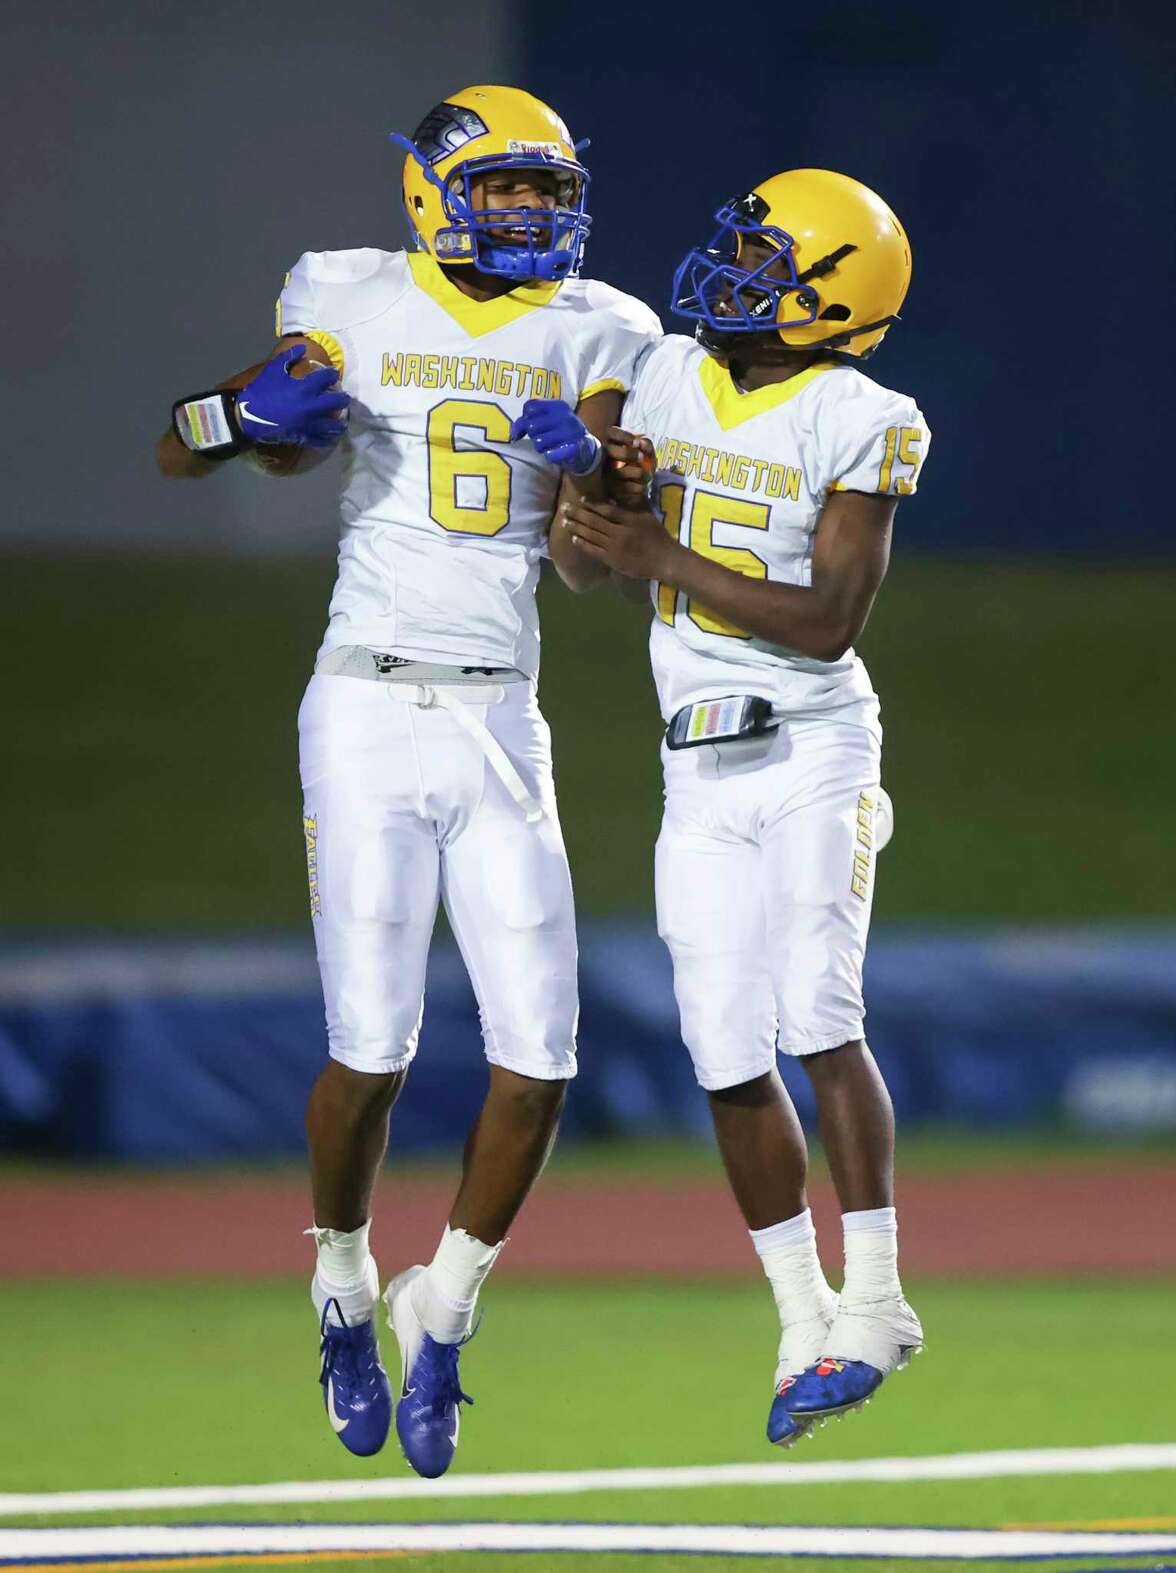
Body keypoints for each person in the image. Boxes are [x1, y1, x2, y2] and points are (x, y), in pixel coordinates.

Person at [155, 84, 660, 1476]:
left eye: (550, 190)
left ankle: (443, 1313)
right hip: (368, 700)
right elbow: (217, 442)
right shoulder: (345, 291)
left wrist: (597, 487)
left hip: (504, 712)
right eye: (507, 189)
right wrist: (234, 414)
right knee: (371, 1051)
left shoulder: (601, 328)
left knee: (541, 1059)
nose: (537, 213)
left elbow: (598, 561)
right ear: (437, 192)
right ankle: (338, 1281)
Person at [530, 169, 929, 1445]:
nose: (734, 272)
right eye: (741, 249)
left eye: (767, 259)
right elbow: (580, 567)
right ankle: (802, 1319)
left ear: (832, 296)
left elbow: (825, 625)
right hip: (691, 762)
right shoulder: (659, 376)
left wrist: (665, 555)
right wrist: (601, 505)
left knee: (820, 1009)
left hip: (813, 744)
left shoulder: (865, 414)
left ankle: (878, 1301)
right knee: (721, 1047)